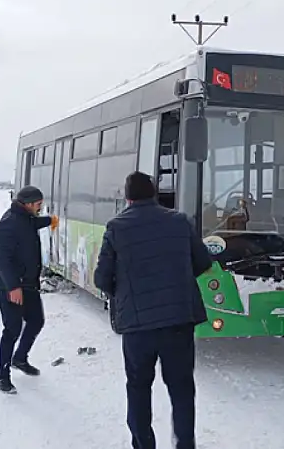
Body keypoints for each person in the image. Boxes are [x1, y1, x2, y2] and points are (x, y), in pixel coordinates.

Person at [94, 171, 213, 449]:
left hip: (137, 327)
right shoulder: (179, 221)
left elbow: (102, 279)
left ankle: (143, 443)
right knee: (182, 388)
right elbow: (203, 262)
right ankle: (185, 443)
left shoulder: (116, 227)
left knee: (138, 387)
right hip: (178, 322)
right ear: (154, 193)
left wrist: (124, 293)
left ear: (128, 197)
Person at [0, 185, 58, 394]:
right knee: (12, 329)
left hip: (27, 284)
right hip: (8, 286)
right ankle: (2, 377)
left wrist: (49, 220)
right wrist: (13, 287)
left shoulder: (25, 218)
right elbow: (2, 259)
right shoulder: (9, 223)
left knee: (36, 320)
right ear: (28, 204)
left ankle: (19, 358)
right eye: (38, 205)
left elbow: (33, 223)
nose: (40, 207)